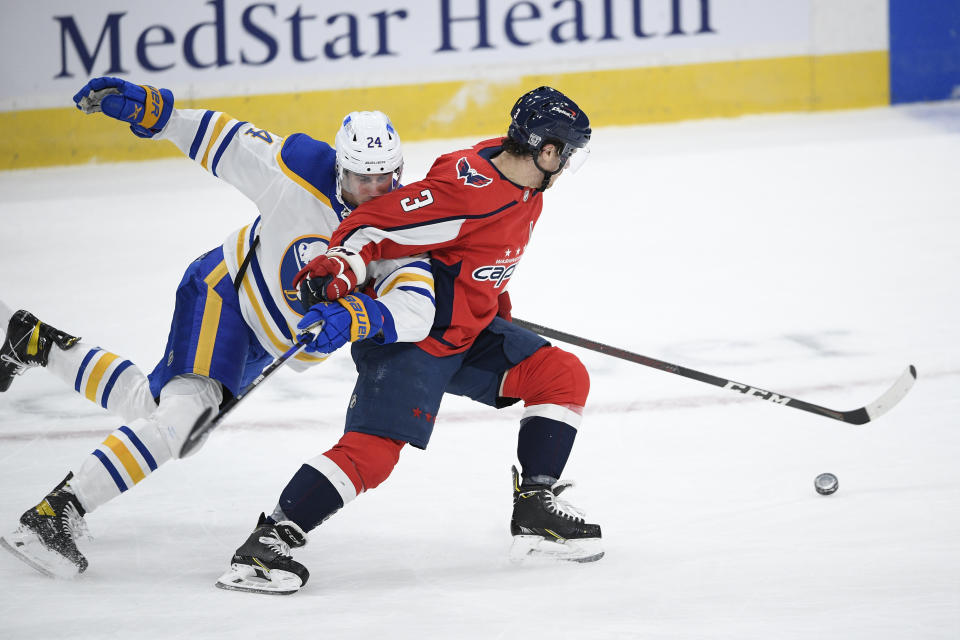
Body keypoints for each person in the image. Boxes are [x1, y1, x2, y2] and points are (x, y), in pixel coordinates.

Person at [0, 77, 436, 578]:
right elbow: (227, 142)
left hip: (268, 343)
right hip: (224, 294)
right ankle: (55, 513)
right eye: (363, 179)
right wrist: (160, 116)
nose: (374, 191)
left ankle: (32, 341)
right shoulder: (299, 169)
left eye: (385, 179)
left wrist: (364, 315)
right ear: (340, 167)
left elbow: (415, 306)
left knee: (155, 411)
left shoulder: (404, 225)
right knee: (184, 421)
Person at [215, 86, 601, 596]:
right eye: (566, 152)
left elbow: (480, 257)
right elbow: (377, 222)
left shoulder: (521, 182)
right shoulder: (470, 189)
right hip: (412, 339)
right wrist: (337, 265)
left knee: (561, 375)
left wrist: (490, 302)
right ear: (547, 150)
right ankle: (268, 542)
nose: (566, 163)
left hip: (468, 334)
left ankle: (535, 508)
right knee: (375, 453)